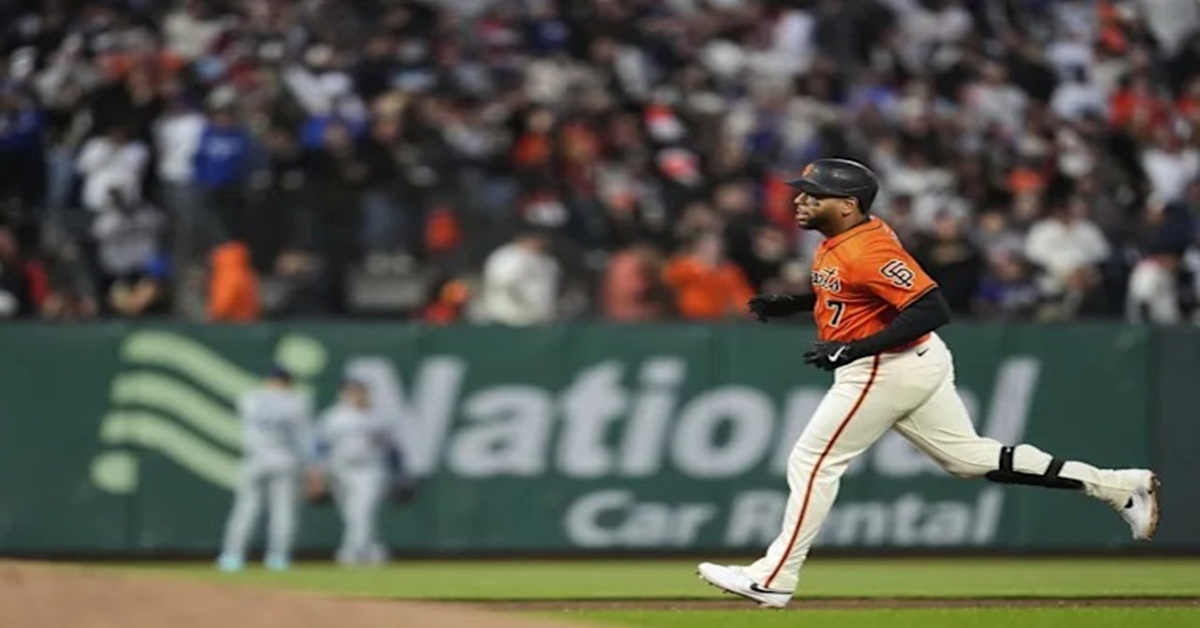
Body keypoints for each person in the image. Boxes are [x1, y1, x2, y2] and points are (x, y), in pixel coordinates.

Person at [696, 158, 1160, 609]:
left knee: (813, 460)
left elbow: (932, 307)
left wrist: (854, 349)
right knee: (969, 459)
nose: (798, 200)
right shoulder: (845, 237)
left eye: (812, 194)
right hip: (911, 359)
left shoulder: (868, 248)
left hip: (886, 364)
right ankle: (1118, 486)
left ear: (847, 205)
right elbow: (850, 289)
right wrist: (795, 304)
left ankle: (774, 578)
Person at [216, 365, 314, 572]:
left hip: (255, 459)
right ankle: (278, 557)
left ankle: (232, 556)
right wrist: (312, 465)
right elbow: (305, 438)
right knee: (283, 512)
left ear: (269, 380)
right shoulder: (297, 402)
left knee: (246, 510)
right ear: (288, 382)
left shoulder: (251, 398)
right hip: (284, 459)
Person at [310, 379, 402, 566]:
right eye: (352, 392)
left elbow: (393, 448)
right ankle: (375, 551)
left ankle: (350, 553)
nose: (357, 396)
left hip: (370, 468)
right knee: (351, 515)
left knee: (362, 512)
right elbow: (320, 446)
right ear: (343, 395)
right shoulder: (334, 417)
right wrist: (317, 473)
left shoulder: (379, 416)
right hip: (340, 468)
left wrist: (400, 474)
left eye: (361, 392)